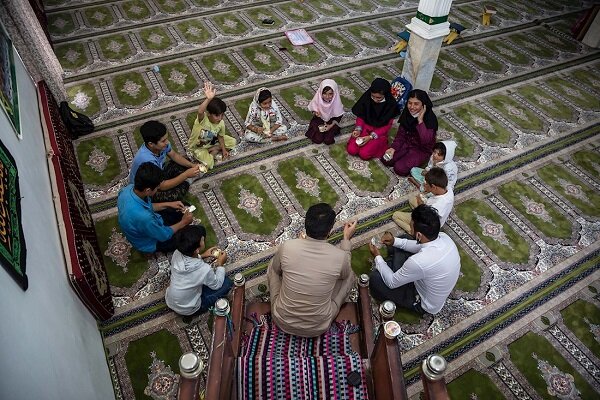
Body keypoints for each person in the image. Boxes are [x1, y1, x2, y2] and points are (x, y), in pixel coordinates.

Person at [267, 203, 357, 337]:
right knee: (350, 276)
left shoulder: (287, 247)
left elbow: (277, 269)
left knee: (272, 266)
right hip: (319, 326)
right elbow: (343, 276)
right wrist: (346, 240)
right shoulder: (340, 256)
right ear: (330, 230)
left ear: (306, 224)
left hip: (282, 320)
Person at [369, 205, 460, 315]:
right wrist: (394, 241)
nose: (410, 228)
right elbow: (417, 246)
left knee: (375, 279)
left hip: (421, 301)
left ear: (419, 234)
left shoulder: (419, 261)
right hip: (425, 274)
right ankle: (393, 266)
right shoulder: (444, 237)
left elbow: (392, 283)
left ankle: (392, 266)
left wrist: (377, 257)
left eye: (411, 226)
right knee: (403, 240)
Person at [118, 162, 193, 254]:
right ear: (148, 190)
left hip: (149, 221)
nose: (158, 190)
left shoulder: (127, 189)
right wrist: (183, 223)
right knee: (195, 235)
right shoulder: (144, 217)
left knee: (182, 206)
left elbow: (148, 206)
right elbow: (163, 235)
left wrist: (169, 204)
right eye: (157, 188)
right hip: (151, 242)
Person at [165, 225, 233, 317]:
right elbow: (216, 285)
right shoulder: (203, 269)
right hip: (190, 308)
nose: (203, 239)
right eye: (202, 240)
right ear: (197, 249)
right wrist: (220, 264)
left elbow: (189, 261)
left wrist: (203, 255)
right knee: (227, 283)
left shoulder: (177, 253)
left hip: (171, 299)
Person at [129, 120, 202, 202]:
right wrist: (185, 175)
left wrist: (191, 165)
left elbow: (173, 155)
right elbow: (161, 186)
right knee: (174, 195)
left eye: (166, 139)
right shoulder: (147, 161)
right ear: (151, 144)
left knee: (184, 162)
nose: (167, 142)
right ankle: (187, 182)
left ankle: (184, 178)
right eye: (163, 141)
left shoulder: (162, 146)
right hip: (149, 189)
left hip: (159, 173)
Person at [382, 89, 438, 176]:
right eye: (410, 103)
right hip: (406, 144)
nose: (412, 107)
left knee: (399, 168)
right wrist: (393, 148)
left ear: (423, 105)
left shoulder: (430, 119)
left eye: (416, 104)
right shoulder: (407, 114)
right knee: (386, 159)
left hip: (421, 150)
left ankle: (422, 161)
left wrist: (420, 121)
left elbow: (425, 141)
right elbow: (400, 136)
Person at [347, 78, 400, 160]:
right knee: (352, 150)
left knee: (364, 154)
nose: (375, 100)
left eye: (379, 98)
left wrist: (370, 137)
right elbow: (361, 115)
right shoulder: (367, 98)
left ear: (385, 95)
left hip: (378, 133)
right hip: (365, 129)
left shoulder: (390, 105)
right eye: (373, 97)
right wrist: (358, 129)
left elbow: (386, 126)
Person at [188, 81, 237, 170]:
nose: (220, 118)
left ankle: (215, 149)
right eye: (217, 115)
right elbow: (200, 111)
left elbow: (220, 137)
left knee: (233, 142)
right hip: (198, 147)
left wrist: (223, 149)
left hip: (211, 141)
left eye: (222, 115)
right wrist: (209, 99)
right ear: (208, 113)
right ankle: (213, 152)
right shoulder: (202, 120)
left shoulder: (221, 123)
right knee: (209, 164)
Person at [392, 167, 454, 233]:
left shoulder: (437, 205)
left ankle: (413, 232)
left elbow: (426, 217)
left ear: (433, 187)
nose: (424, 185)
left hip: (427, 225)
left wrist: (420, 203)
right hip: (430, 212)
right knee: (412, 199)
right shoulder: (447, 188)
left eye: (426, 184)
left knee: (395, 216)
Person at [305, 79, 344, 145]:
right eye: (324, 94)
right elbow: (313, 109)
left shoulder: (336, 102)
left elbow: (338, 117)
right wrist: (316, 113)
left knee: (328, 141)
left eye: (330, 94)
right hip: (319, 120)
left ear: (334, 93)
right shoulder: (318, 99)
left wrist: (330, 126)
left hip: (331, 122)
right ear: (321, 92)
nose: (327, 97)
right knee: (317, 139)